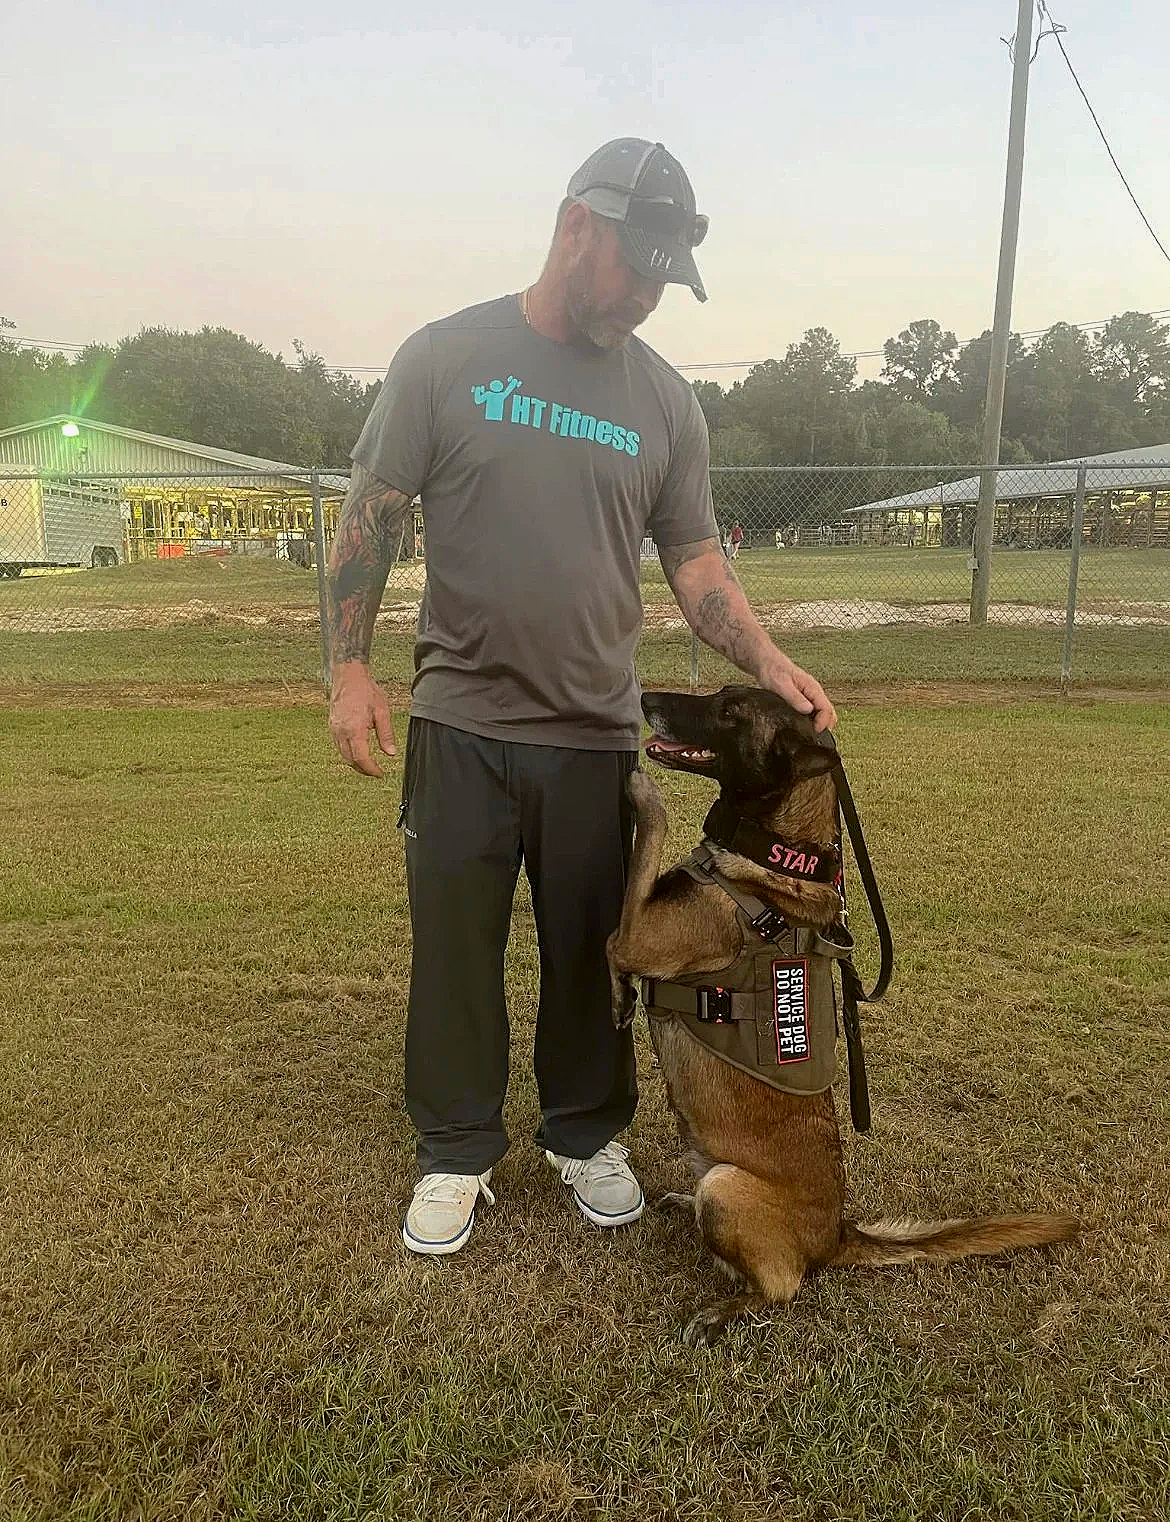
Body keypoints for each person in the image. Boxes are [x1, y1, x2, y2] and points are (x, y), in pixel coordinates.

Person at [325, 137, 836, 1257]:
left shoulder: (665, 402)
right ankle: (456, 1149)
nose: (650, 297)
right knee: (452, 952)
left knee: (588, 945)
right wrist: (351, 669)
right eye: (637, 267)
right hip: (460, 721)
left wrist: (767, 659)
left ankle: (583, 1132)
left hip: (594, 734)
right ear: (574, 228)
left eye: (667, 279)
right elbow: (372, 512)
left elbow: (698, 567)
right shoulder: (445, 356)